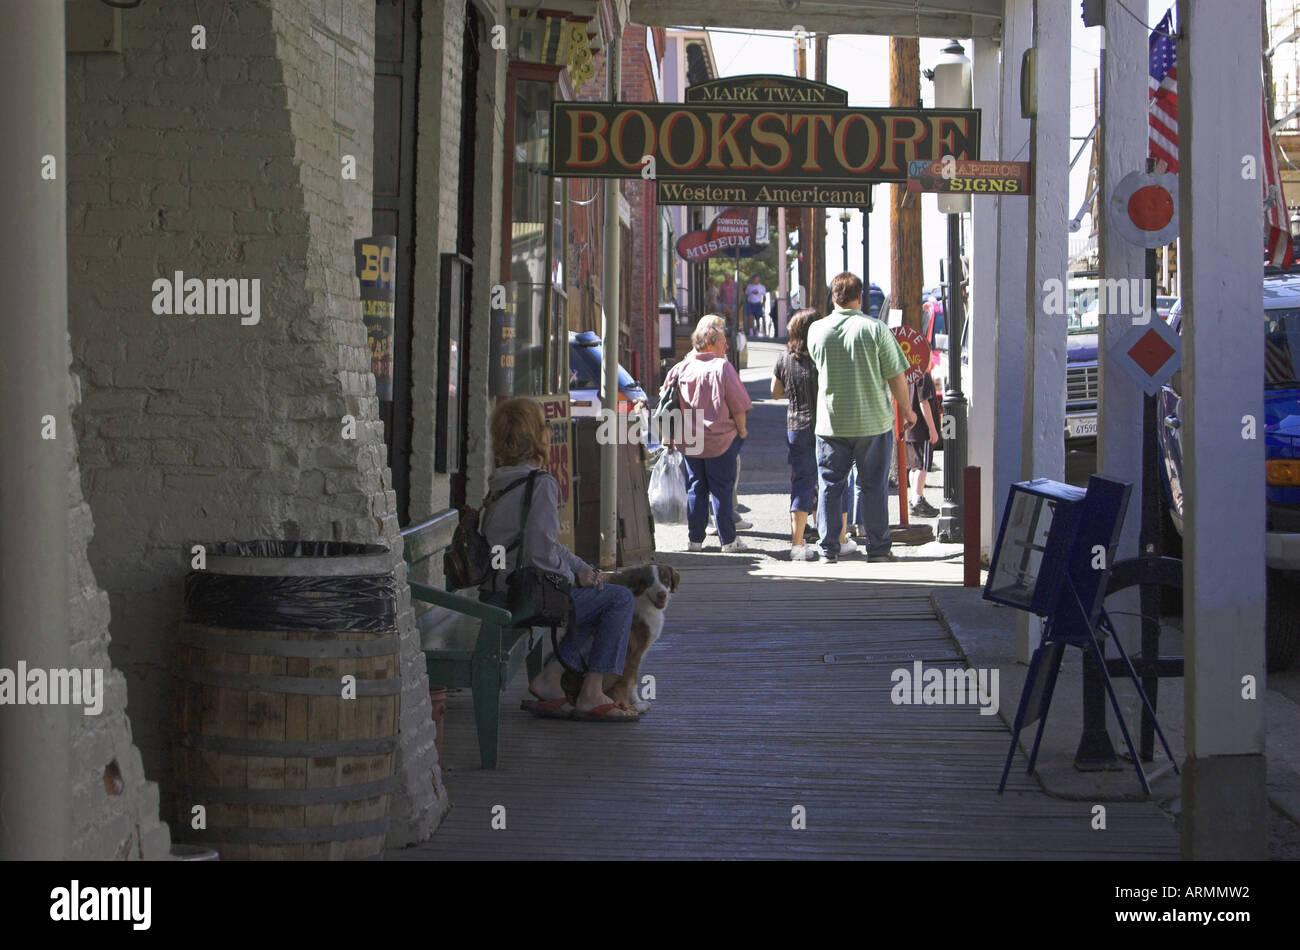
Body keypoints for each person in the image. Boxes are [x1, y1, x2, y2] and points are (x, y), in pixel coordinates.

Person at [479, 398, 640, 721]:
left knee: (600, 595)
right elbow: (541, 554)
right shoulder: (540, 485)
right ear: (537, 436)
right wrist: (573, 580)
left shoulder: (501, 481)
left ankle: (551, 680)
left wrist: (587, 572)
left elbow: (545, 546)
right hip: (522, 598)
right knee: (619, 600)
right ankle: (592, 693)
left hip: (500, 590)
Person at [807, 272, 916, 563]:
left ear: (833, 297)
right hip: (873, 421)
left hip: (831, 421)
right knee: (874, 487)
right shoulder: (876, 329)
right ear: (860, 297)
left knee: (831, 485)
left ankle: (828, 548)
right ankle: (878, 548)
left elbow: (819, 365)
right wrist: (907, 411)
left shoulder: (817, 330)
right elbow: (896, 376)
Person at [665, 315, 753, 552]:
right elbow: (739, 405)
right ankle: (728, 541)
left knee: (696, 488)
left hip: (690, 440)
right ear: (710, 343)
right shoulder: (722, 367)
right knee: (722, 490)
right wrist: (742, 431)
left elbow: (667, 402)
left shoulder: (681, 368)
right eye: (723, 341)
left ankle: (695, 540)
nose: (726, 346)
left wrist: (669, 437)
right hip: (720, 440)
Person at [771, 308, 822, 560]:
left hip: (795, 426)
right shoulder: (820, 356)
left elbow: (775, 392)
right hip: (823, 425)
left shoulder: (784, 358)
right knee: (828, 480)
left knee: (801, 482)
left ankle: (798, 543)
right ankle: (829, 536)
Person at [906, 371, 941, 518]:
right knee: (923, 466)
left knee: (914, 466)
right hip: (921, 428)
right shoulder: (923, 376)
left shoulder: (908, 374)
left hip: (910, 428)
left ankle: (914, 498)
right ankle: (917, 500)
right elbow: (924, 402)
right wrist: (932, 429)